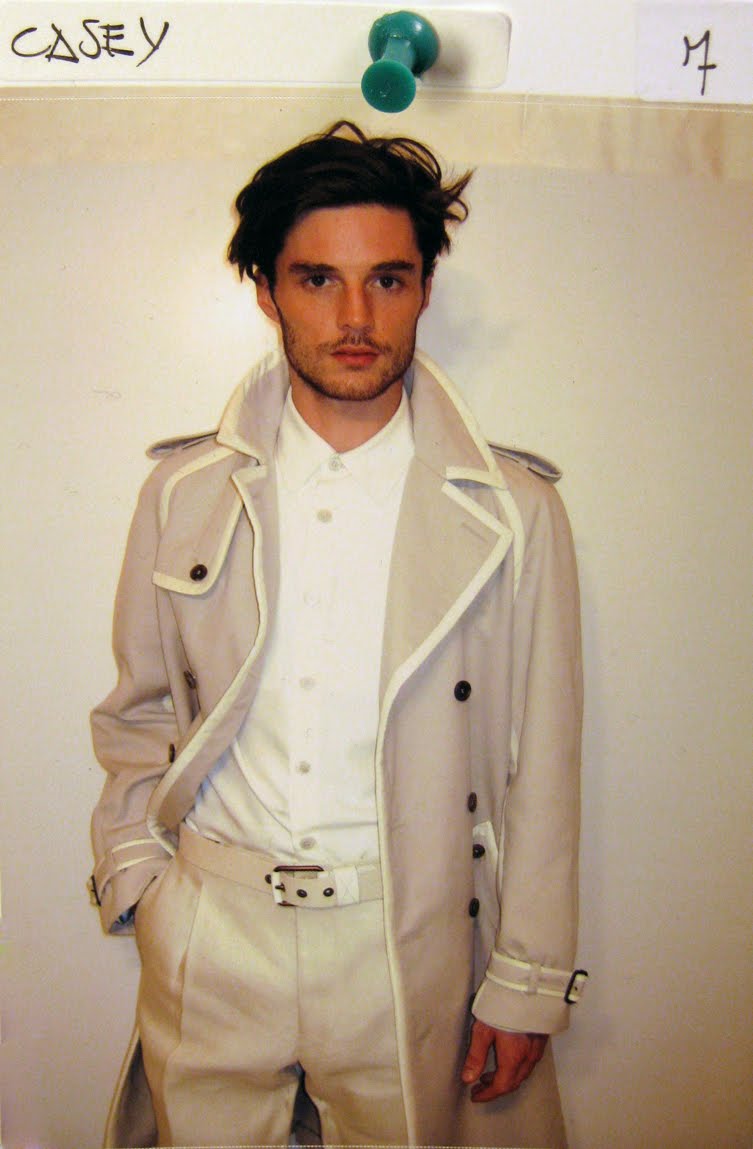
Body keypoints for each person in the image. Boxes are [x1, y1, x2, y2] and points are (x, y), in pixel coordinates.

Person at [89, 120, 586, 1149]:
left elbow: (545, 762)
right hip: (214, 933)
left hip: (403, 938)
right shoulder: (183, 492)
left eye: (387, 280)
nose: (355, 317)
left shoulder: (513, 511)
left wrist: (527, 978)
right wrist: (143, 881)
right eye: (317, 280)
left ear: (425, 289)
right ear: (266, 291)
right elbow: (138, 712)